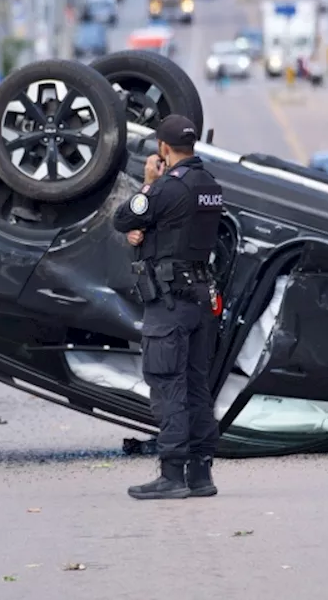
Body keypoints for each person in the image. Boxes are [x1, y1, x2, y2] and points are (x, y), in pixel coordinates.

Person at [112, 115, 223, 501]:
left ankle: (172, 474)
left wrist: (149, 182)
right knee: (196, 385)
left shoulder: (168, 188)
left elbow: (123, 217)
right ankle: (201, 473)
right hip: (199, 297)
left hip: (170, 300)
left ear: (163, 147)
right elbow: (178, 229)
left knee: (167, 383)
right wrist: (148, 231)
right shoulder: (210, 185)